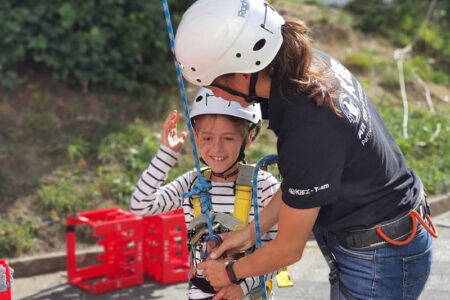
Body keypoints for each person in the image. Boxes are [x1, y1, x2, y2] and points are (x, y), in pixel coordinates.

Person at [173, 0, 437, 299]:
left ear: (243, 72)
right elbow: (301, 183)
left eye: (212, 84)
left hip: (380, 257)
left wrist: (231, 272)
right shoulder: (307, 66)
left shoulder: (308, 124)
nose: (213, 95)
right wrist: (248, 233)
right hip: (382, 238)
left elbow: (288, 249)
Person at [130, 87, 280, 300]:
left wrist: (243, 287)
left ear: (247, 139)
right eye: (207, 138)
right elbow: (140, 206)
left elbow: (278, 253)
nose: (216, 148)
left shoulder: (263, 186)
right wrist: (167, 154)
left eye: (228, 138)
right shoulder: (193, 183)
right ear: (196, 138)